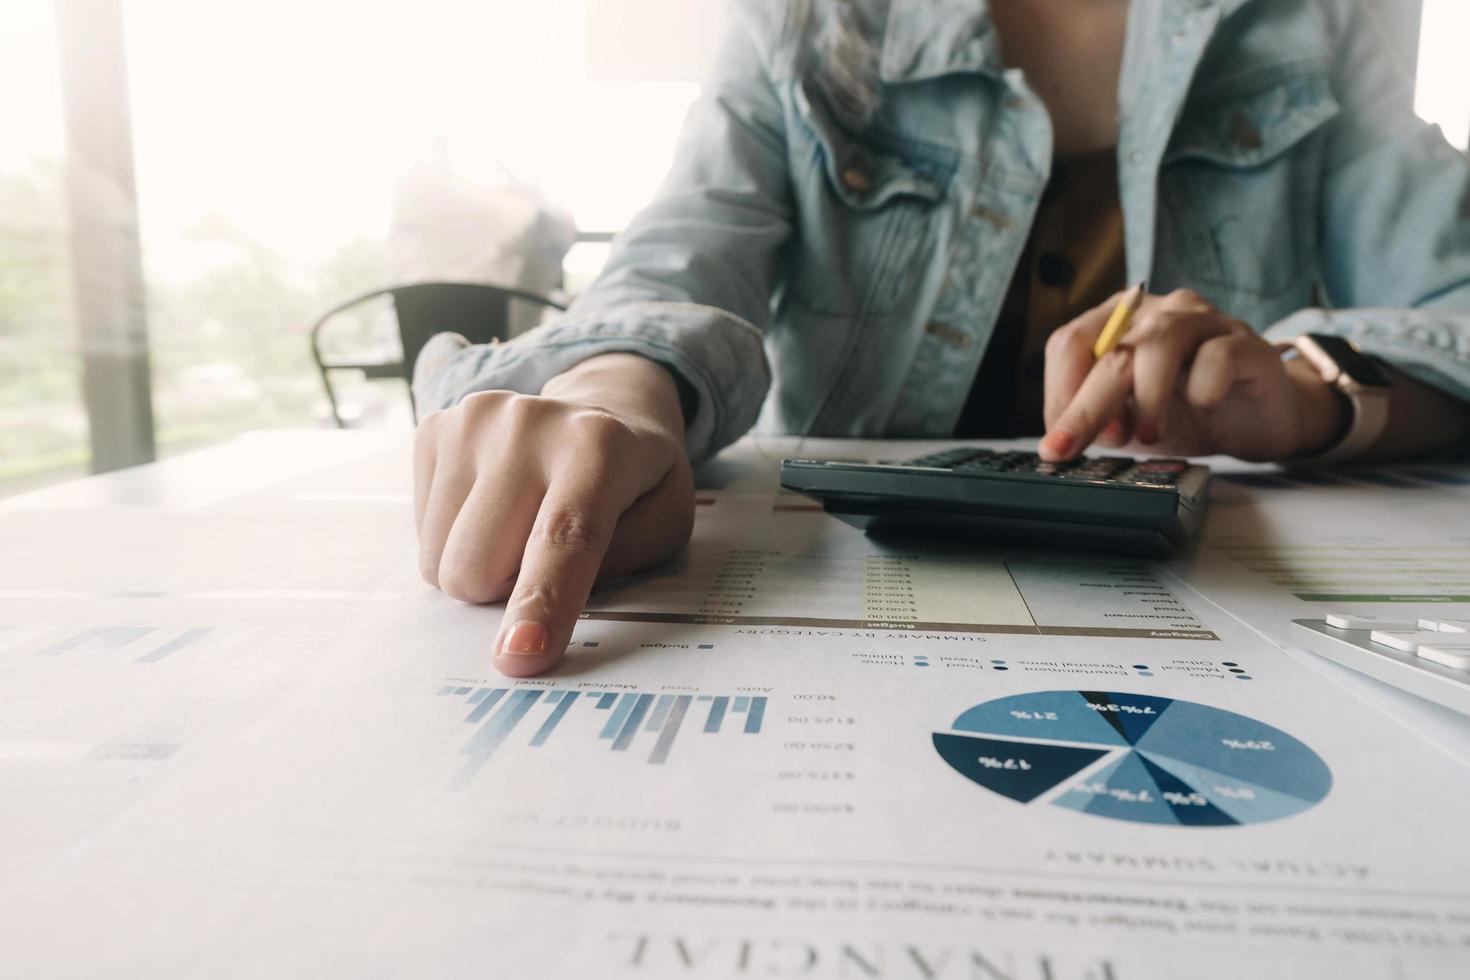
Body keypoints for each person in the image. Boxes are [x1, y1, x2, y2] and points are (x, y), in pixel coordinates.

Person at [410, 0, 1470, 677]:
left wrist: (1311, 388)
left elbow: (1456, 304)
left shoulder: (1313, 22)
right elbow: (682, 251)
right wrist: (612, 392)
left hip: (1230, 606)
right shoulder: (803, 19)